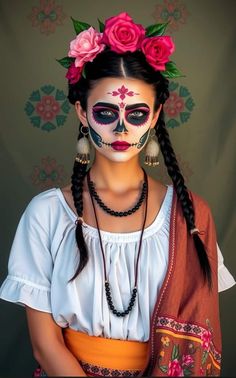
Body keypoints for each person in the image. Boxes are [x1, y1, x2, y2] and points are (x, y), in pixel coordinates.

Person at [0, 12, 235, 377]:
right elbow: (44, 346)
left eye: (137, 113)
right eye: (106, 112)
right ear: (81, 112)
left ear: (156, 116)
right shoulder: (46, 214)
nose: (121, 127)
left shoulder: (190, 215)